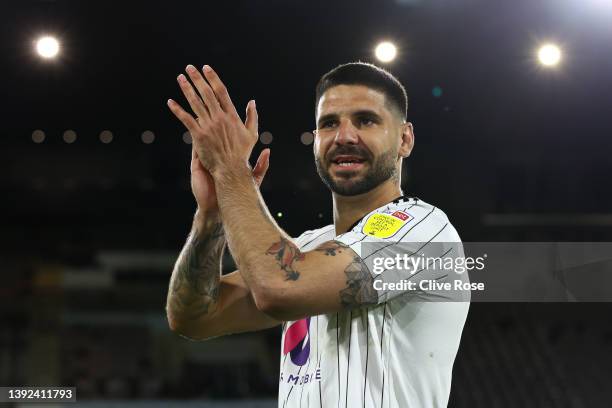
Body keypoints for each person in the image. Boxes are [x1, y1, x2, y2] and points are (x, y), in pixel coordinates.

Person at [165, 62, 470, 407]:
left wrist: (231, 172)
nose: (344, 136)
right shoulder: (306, 249)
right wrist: (211, 219)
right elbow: (193, 317)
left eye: (365, 120)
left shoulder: (422, 229)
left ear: (404, 138)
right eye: (329, 124)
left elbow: (278, 288)